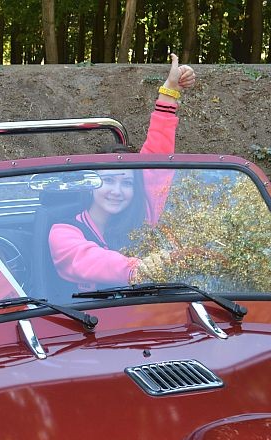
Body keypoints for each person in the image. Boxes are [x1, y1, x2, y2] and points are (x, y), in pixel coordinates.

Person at [48, 54, 195, 292]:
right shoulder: (63, 233)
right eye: (108, 180)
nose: (117, 191)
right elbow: (93, 261)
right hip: (88, 314)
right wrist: (140, 269)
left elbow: (157, 157)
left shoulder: (144, 213)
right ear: (92, 183)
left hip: (153, 310)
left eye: (127, 183)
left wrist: (170, 91)